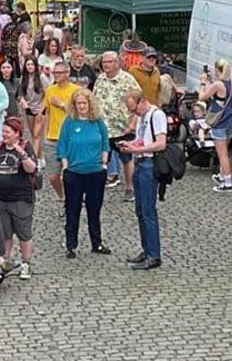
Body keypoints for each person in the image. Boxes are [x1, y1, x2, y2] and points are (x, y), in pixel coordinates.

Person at [55, 90, 111, 259]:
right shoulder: (70, 122)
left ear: (90, 104)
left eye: (84, 103)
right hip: (74, 172)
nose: (81, 107)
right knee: (73, 210)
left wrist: (104, 164)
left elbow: (105, 143)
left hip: (95, 172)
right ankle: (71, 244)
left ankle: (97, 242)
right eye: (78, 103)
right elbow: (62, 145)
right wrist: (65, 166)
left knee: (94, 209)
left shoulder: (98, 122)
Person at [119, 88, 168, 270]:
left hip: (149, 164)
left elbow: (160, 143)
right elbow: (141, 140)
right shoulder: (142, 117)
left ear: (141, 101)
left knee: (148, 211)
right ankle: (146, 249)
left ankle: (154, 255)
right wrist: (129, 144)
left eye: (134, 109)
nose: (134, 113)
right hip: (140, 163)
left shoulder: (157, 115)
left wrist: (135, 150)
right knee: (140, 211)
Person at [0, 118, 40, 279]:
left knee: (24, 233)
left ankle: (26, 264)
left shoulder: (25, 147)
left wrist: (22, 155)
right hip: (0, 198)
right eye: (3, 131)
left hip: (21, 199)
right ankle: (5, 262)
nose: (4, 135)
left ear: (17, 134)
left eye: (8, 132)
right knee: (5, 233)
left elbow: (32, 168)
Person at [91, 52, 137, 199]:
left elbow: (139, 102)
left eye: (109, 62)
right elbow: (94, 101)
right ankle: (98, 189)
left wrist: (132, 124)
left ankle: (130, 188)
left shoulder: (128, 80)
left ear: (117, 63)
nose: (105, 65)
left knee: (126, 158)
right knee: (101, 159)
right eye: (104, 62)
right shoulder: (100, 79)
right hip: (103, 128)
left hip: (123, 128)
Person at [199, 59, 232, 191]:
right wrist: (211, 82)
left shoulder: (217, 84)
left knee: (222, 155)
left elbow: (202, 97)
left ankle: (227, 183)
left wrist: (203, 82)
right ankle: (222, 176)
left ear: (218, 70)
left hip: (220, 122)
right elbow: (223, 96)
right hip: (231, 121)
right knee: (225, 151)